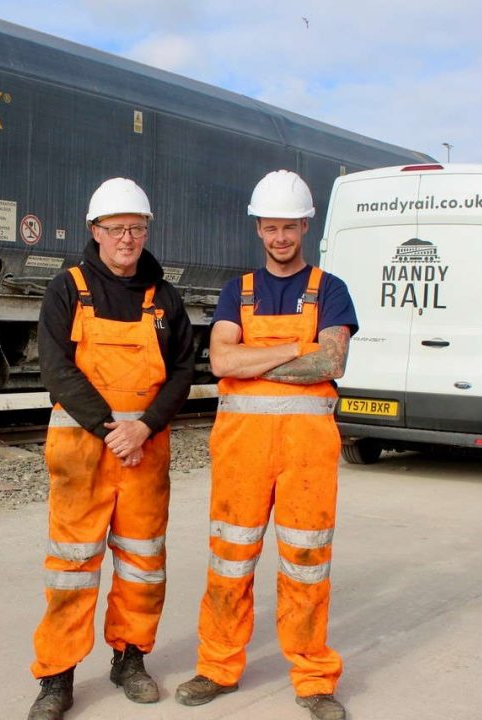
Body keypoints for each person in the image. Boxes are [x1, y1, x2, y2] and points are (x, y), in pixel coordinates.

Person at [174, 170, 357, 720]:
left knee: (306, 561)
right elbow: (221, 362)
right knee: (230, 558)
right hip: (242, 451)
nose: (280, 237)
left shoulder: (331, 289)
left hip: (306, 453)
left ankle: (313, 677)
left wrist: (259, 353)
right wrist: (294, 346)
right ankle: (218, 666)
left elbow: (332, 361)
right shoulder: (239, 290)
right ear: (259, 228)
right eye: (270, 227)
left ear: (306, 226)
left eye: (289, 227)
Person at [27, 178, 195, 720]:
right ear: (94, 231)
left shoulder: (164, 298)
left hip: (144, 453)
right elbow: (56, 369)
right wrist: (109, 428)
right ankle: (57, 677)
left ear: (147, 231)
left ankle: (130, 658)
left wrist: (143, 427)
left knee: (143, 563)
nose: (127, 238)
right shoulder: (66, 288)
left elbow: (184, 371)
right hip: (83, 452)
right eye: (116, 228)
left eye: (136, 228)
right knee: (72, 568)